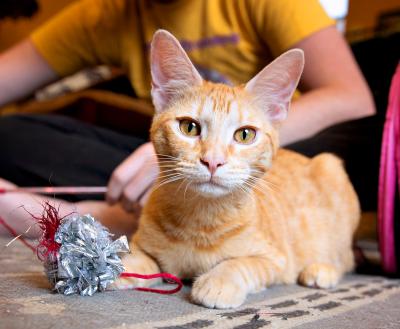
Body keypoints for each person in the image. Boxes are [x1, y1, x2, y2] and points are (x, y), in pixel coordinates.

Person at [0, 0, 375, 237]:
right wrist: (170, 151)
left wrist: (246, 141)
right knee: (10, 133)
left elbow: (354, 99)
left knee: (349, 150)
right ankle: (111, 214)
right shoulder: (105, 12)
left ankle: (102, 218)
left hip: (269, 160)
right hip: (176, 161)